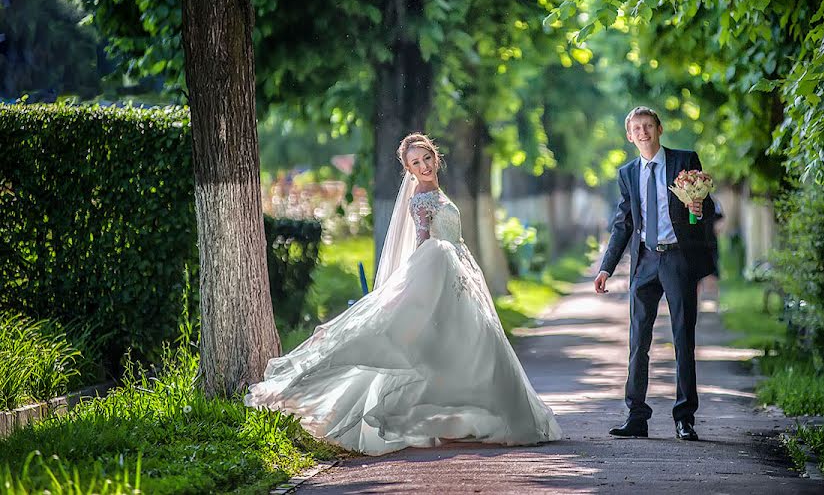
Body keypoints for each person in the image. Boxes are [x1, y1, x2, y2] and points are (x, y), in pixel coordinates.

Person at [246, 133, 561, 455]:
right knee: (437, 343)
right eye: (415, 163)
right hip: (439, 268)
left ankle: (464, 420)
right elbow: (422, 241)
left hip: (460, 271)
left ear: (435, 157)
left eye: (426, 158)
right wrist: (415, 281)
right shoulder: (421, 199)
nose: (423, 166)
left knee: (466, 344)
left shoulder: (437, 193)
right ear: (408, 169)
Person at [593, 106, 713, 441]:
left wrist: (699, 209)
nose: (643, 132)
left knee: (682, 338)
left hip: (677, 259)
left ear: (659, 129)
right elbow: (624, 224)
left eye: (648, 126)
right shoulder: (628, 173)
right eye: (637, 128)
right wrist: (607, 267)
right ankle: (636, 416)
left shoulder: (684, 160)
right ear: (629, 136)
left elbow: (708, 207)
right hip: (644, 261)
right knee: (637, 340)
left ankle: (684, 418)